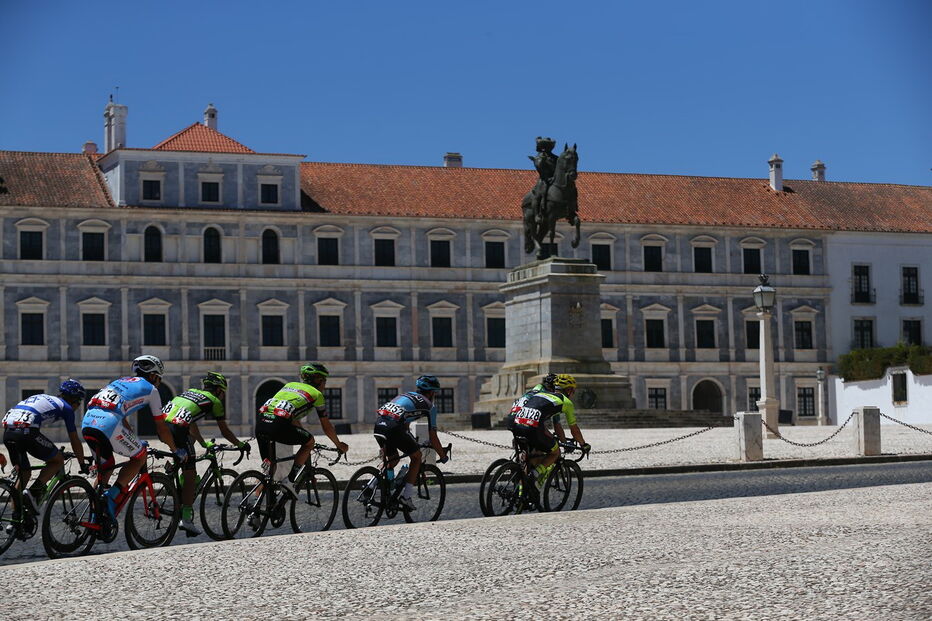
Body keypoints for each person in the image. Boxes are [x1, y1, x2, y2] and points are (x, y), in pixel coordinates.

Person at [81, 355, 178, 518]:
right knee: (140, 457)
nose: (159, 382)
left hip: (88, 422)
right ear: (154, 376)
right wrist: (175, 450)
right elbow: (162, 428)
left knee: (106, 467)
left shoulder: (118, 382)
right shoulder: (152, 389)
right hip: (109, 424)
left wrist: (133, 438)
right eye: (159, 378)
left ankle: (94, 517)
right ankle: (111, 497)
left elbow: (121, 417)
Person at [161, 371, 250, 537]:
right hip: (177, 430)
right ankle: (186, 519)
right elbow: (224, 430)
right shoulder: (214, 401)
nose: (223, 396)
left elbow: (190, 422)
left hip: (162, 427)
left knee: (188, 446)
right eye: (223, 392)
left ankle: (173, 474)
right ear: (218, 390)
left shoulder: (190, 393)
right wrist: (240, 444)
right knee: (190, 473)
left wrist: (203, 443)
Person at [255, 363, 348, 496]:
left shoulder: (289, 386)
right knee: (310, 442)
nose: (325, 385)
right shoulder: (317, 394)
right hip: (278, 425)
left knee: (270, 470)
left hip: (261, 424)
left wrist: (304, 437)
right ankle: (290, 481)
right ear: (318, 380)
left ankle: (255, 509)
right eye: (325, 381)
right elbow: (326, 426)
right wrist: (339, 445)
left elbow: (293, 419)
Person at [2, 380, 89, 521]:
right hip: (27, 431)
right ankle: (33, 493)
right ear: (74, 399)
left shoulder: (46, 399)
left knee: (24, 474)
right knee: (57, 460)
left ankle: (16, 521)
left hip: (9, 433)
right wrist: (82, 463)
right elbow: (74, 439)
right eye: (79, 402)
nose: (78, 406)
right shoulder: (66, 407)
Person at [373, 375, 449, 511]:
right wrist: (442, 455)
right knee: (417, 457)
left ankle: (370, 487)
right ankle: (406, 497)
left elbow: (405, 427)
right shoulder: (429, 406)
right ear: (431, 392)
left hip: (379, 424)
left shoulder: (405, 395)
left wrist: (412, 442)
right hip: (394, 428)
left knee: (392, 460)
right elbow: (433, 437)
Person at [508, 373, 590, 487]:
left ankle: (523, 491)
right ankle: (534, 475)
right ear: (570, 390)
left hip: (515, 421)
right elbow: (573, 429)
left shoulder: (539, 393)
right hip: (532, 427)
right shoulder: (565, 402)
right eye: (574, 391)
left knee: (530, 459)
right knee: (555, 452)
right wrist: (583, 444)